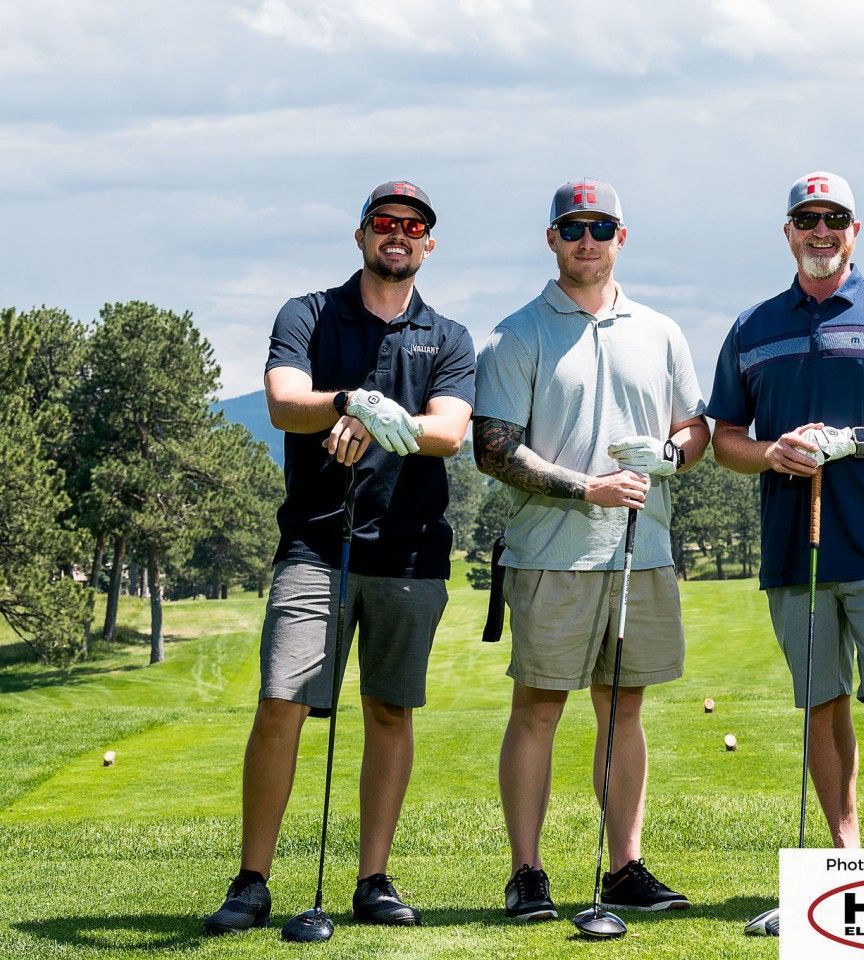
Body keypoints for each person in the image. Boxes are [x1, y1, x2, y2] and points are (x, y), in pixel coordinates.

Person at [204, 181, 476, 934]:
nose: (399, 234)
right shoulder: (309, 314)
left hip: (411, 551)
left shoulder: (447, 337)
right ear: (361, 236)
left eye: (413, 226)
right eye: (385, 223)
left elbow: (449, 431)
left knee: (390, 711)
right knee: (282, 702)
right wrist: (351, 401)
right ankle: (251, 880)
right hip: (318, 546)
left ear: (428, 245)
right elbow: (285, 402)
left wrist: (387, 421)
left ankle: (374, 881)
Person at [472, 178, 709, 920]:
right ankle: (527, 873)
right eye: (572, 228)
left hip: (643, 551)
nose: (586, 240)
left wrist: (672, 451)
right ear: (551, 238)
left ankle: (624, 867)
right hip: (551, 553)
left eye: (600, 227)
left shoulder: (660, 330)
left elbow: (695, 428)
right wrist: (586, 488)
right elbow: (492, 449)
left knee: (624, 710)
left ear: (620, 238)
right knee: (538, 708)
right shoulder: (517, 334)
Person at [708, 171, 864, 848]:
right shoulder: (751, 326)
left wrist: (854, 442)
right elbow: (724, 440)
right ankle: (845, 856)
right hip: (798, 544)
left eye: (835, 219)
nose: (821, 231)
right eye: (807, 220)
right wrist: (769, 454)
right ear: (788, 232)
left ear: (854, 231)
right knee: (820, 704)